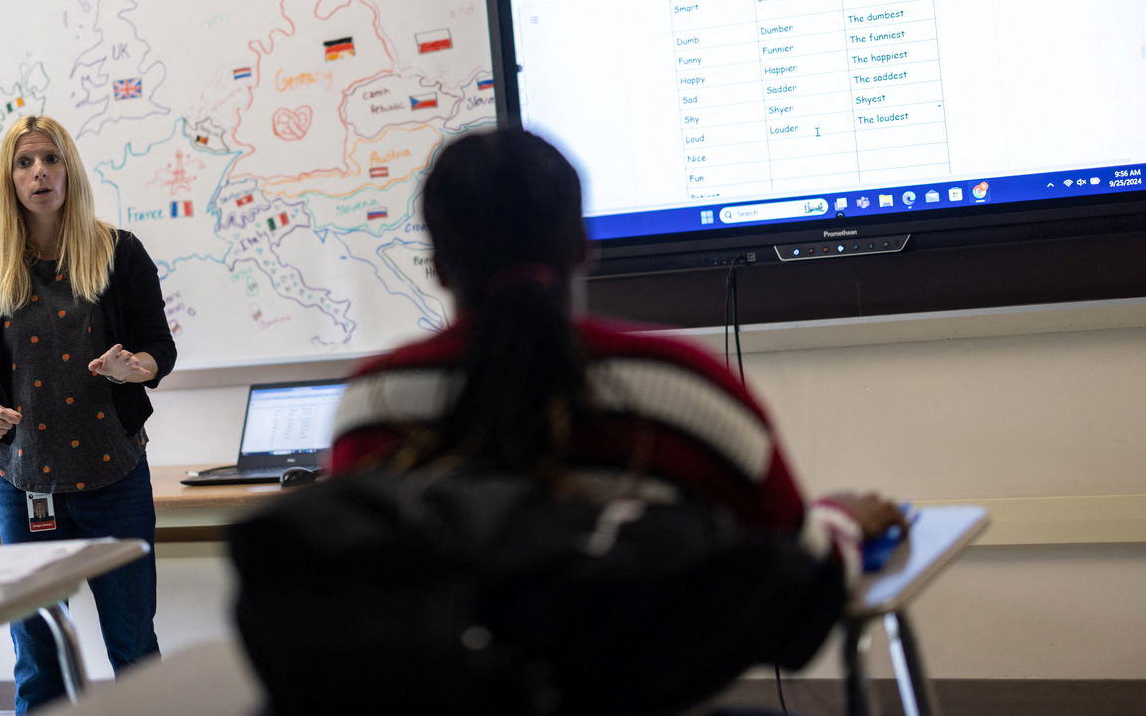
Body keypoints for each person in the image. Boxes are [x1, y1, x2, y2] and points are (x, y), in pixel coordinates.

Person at [330, 126, 905, 616]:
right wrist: (842, 522)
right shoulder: (681, 389)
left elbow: (363, 591)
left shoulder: (374, 406)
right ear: (582, 246)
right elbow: (798, 570)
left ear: (438, 268)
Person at [0, 114, 176, 714]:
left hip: (116, 475)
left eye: (50, 159)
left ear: (68, 170)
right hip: (27, 483)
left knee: (132, 647)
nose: (39, 171)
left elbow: (161, 349)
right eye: (24, 163)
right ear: (10, 179)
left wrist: (135, 368)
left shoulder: (118, 253)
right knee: (37, 655)